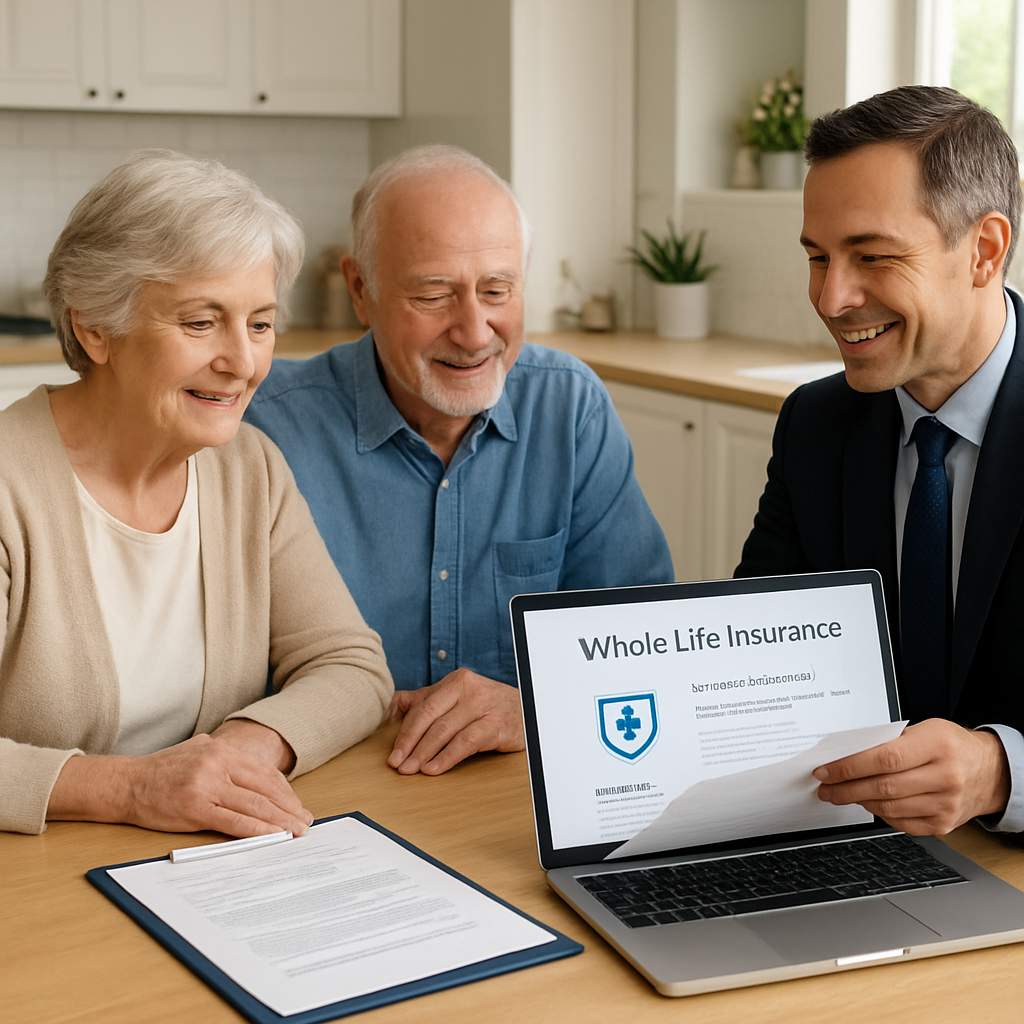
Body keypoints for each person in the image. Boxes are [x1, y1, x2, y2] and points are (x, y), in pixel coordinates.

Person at [245, 145, 673, 777]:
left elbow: (646, 645)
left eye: (497, 290)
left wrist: (534, 707)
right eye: (434, 295)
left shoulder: (569, 407)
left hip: (514, 787)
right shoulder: (268, 427)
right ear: (360, 290)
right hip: (324, 789)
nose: (474, 332)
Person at [0, 150, 393, 836]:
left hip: (204, 869)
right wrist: (127, 789)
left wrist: (237, 754)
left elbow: (351, 666)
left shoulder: (250, 469)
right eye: (201, 322)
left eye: (261, 323)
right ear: (95, 326)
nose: (242, 362)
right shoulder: (10, 485)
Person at [736, 85, 1024, 836]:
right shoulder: (815, 424)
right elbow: (756, 659)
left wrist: (1000, 773)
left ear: (984, 251)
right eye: (817, 257)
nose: (832, 298)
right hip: (849, 855)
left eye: (872, 256)